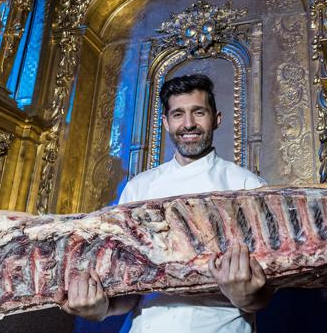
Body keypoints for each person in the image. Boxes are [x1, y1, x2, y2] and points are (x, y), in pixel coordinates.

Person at [63, 74, 272, 332]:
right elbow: (129, 292)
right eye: (177, 115)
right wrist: (100, 308)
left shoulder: (248, 187)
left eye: (198, 112)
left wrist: (245, 296)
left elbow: (264, 293)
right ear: (165, 122)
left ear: (216, 119)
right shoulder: (139, 187)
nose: (188, 124)